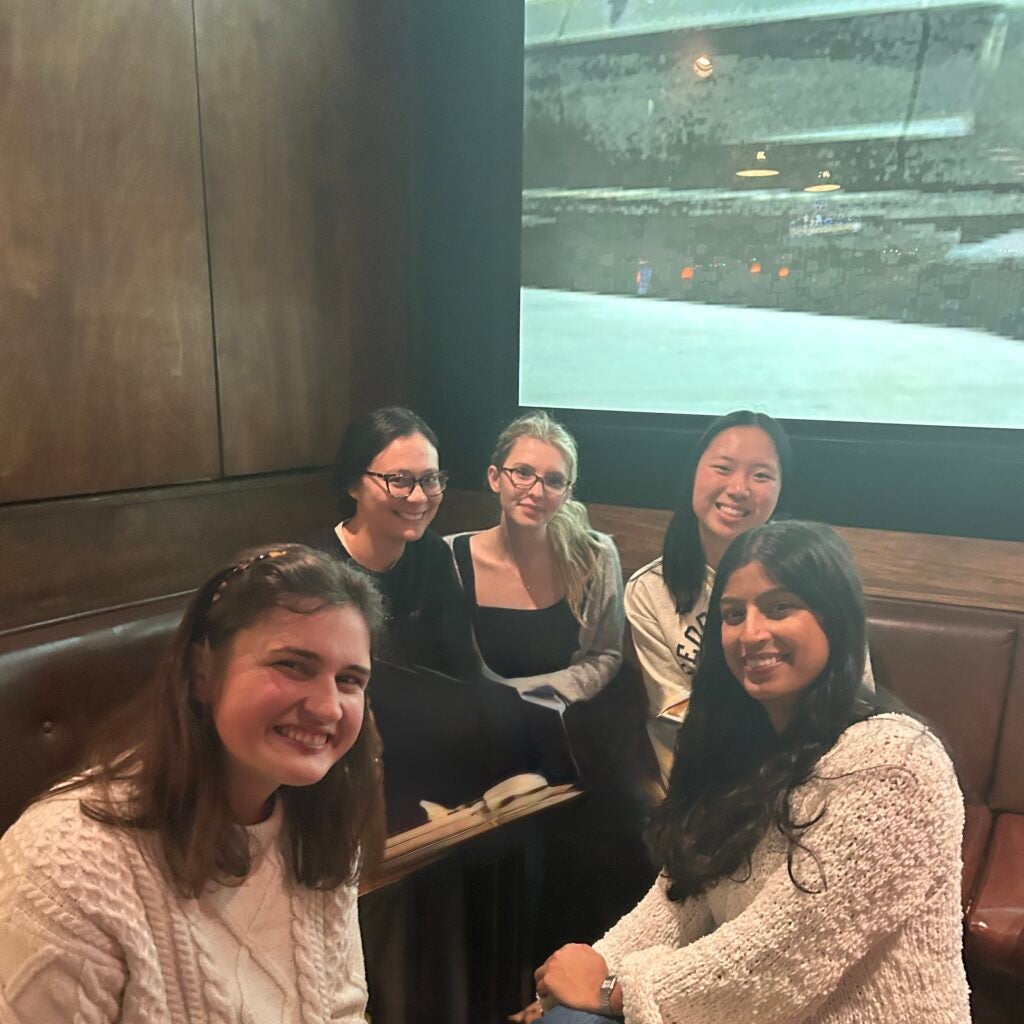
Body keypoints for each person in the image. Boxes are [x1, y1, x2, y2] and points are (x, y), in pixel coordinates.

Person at [519, 521, 970, 1023]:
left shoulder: (894, 762)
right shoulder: (737, 753)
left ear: (835, 617)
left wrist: (609, 991)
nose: (752, 633)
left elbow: (778, 963)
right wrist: (579, 980)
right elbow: (678, 900)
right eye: (733, 615)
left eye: (780, 607)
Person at [0, 544, 386, 1023]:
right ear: (203, 673)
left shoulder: (324, 822)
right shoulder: (63, 868)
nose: (328, 708)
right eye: (292, 665)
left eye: (349, 680)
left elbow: (343, 1010)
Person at [625, 410, 792, 788]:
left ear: (781, 490)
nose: (739, 488)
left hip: (796, 780)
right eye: (723, 468)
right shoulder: (651, 591)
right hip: (700, 792)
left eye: (761, 475)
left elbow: (849, 697)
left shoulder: (814, 582)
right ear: (694, 475)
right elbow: (672, 714)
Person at [446, 410, 623, 704]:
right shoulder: (448, 556)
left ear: (567, 494)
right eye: (523, 473)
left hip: (567, 727)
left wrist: (520, 697)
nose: (537, 491)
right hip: (478, 729)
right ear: (495, 478)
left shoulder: (596, 557)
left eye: (554, 481)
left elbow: (605, 654)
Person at [313, 405, 476, 677]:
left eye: (430, 479)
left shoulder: (432, 553)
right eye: (399, 480)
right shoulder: (316, 569)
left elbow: (460, 667)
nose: (419, 497)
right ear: (353, 484)